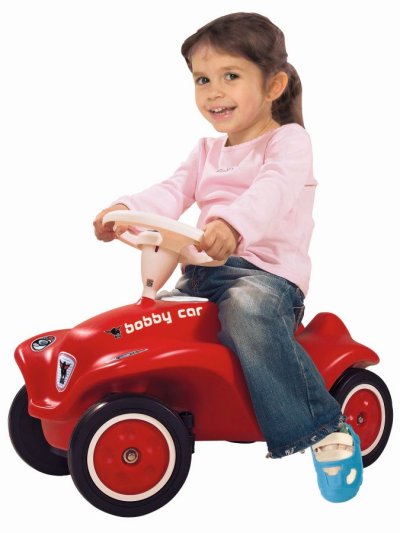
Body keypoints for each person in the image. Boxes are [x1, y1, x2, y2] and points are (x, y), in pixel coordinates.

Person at [93, 12, 363, 503]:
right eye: (202, 80)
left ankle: (325, 427)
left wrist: (231, 226)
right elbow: (171, 191)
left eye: (230, 76)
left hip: (265, 279)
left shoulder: (288, 142)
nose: (213, 92)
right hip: (201, 275)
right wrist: (125, 209)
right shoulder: (204, 151)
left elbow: (272, 190)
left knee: (246, 310)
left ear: (273, 85)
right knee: (150, 320)